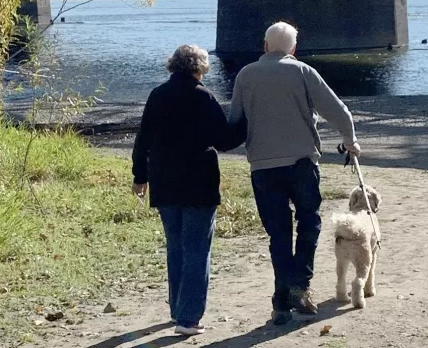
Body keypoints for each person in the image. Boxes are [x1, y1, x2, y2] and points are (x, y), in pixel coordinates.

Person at [229, 22, 361, 325]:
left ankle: (281, 301)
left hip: (263, 166)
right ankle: (299, 287)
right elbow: (340, 111)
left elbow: (236, 120)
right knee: (309, 224)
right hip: (302, 163)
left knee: (278, 233)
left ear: (264, 46)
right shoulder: (302, 71)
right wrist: (350, 142)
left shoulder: (246, 75)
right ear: (293, 49)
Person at [132, 44, 244, 337]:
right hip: (198, 183)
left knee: (177, 247)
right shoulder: (203, 97)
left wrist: (139, 177)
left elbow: (142, 139)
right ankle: (189, 317)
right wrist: (245, 122)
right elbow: (224, 140)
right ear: (199, 68)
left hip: (164, 181)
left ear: (173, 66)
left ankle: (177, 309)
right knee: (197, 249)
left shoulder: (157, 95)